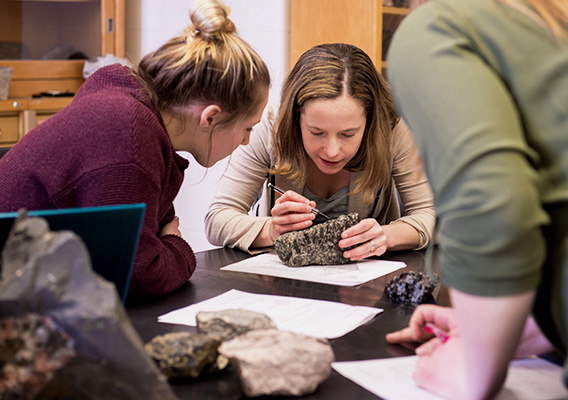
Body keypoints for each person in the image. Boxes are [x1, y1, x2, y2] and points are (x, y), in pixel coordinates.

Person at [0, 0, 270, 300]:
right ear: (211, 117)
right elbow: (141, 274)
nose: (246, 141)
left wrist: (163, 240)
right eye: (247, 128)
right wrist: (178, 247)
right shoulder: (127, 135)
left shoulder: (135, 114)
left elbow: (152, 229)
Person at [384, 0, 568, 398]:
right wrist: (510, 328)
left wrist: (474, 366)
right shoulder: (546, 25)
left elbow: (493, 208)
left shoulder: (434, 27)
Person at [205, 43, 435, 260]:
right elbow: (218, 220)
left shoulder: (391, 130)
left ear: (369, 123)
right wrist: (271, 229)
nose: (332, 151)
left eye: (348, 134)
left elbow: (431, 216)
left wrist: (388, 236)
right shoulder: (269, 128)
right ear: (296, 119)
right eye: (317, 132)